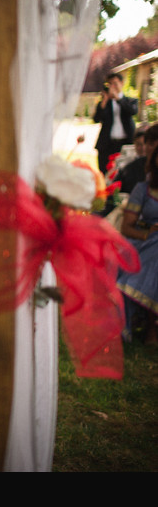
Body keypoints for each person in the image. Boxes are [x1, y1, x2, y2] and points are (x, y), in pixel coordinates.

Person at [116, 144, 158, 344]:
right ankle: (151, 328)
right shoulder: (143, 189)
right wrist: (148, 233)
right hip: (145, 241)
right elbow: (126, 228)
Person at [94, 73, 138, 173]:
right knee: (104, 172)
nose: (112, 87)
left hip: (125, 142)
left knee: (125, 172)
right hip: (107, 144)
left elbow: (132, 111)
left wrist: (118, 99)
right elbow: (96, 119)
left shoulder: (130, 100)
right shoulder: (104, 103)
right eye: (110, 84)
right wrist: (105, 100)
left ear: (121, 83)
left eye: (115, 83)